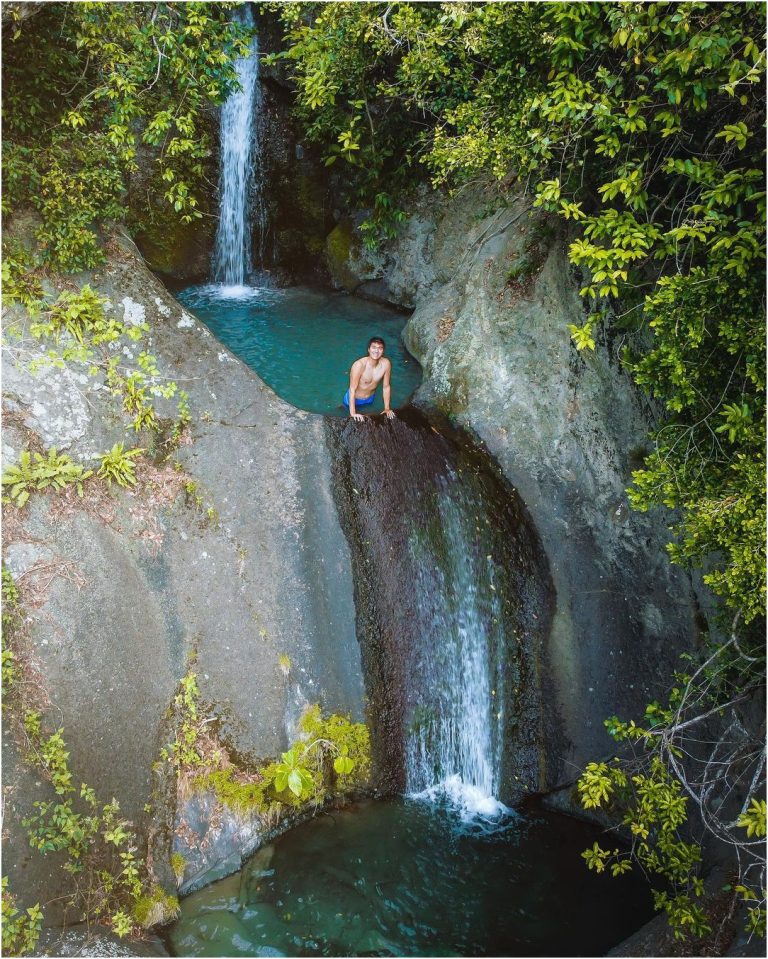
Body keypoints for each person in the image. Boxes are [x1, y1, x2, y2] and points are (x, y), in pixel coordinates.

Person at [344, 336, 396, 421]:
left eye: (380, 348)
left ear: (383, 351)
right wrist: (353, 413)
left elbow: (386, 387)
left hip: (369, 399)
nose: (376, 351)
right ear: (368, 349)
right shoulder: (359, 365)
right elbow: (352, 389)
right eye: (374, 347)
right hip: (354, 400)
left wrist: (387, 408)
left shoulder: (386, 364)